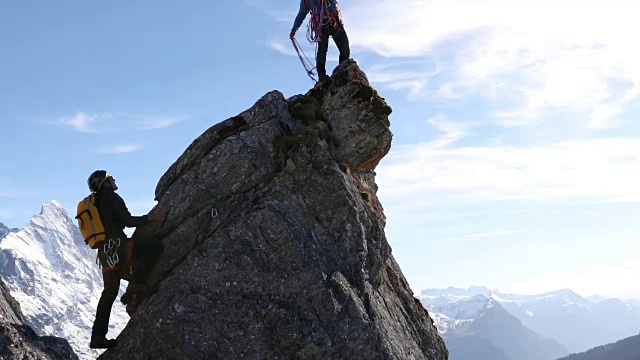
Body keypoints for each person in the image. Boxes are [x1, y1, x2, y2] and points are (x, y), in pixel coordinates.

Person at [86, 170, 165, 349]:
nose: (113, 180)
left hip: (105, 253)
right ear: (104, 183)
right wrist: (150, 218)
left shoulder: (95, 203)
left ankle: (97, 336)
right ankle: (136, 284)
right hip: (119, 245)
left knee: (109, 293)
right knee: (154, 247)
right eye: (110, 178)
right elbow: (127, 221)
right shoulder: (112, 197)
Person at [290, 0, 350, 81]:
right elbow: (302, 14)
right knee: (322, 50)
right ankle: (322, 76)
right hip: (323, 25)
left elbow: (302, 14)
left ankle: (342, 70)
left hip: (333, 21)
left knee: (344, 48)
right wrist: (294, 29)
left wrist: (294, 29)